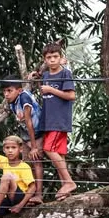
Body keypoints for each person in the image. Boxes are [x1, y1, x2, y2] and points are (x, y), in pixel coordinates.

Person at [39, 42, 77, 201]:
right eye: (49, 58)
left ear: (61, 58)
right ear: (45, 60)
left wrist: (51, 90)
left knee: (48, 149)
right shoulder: (46, 75)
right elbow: (39, 75)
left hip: (59, 120)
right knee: (59, 155)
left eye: (55, 57)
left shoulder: (65, 73)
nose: (53, 60)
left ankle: (69, 182)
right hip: (49, 120)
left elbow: (71, 96)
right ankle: (65, 188)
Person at [2, 75, 44, 204]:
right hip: (25, 135)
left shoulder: (24, 98)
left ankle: (38, 195)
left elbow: (29, 122)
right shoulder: (13, 100)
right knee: (25, 163)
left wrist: (34, 147)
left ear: (18, 90)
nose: (6, 94)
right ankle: (26, 195)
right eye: (4, 91)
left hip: (37, 133)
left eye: (9, 91)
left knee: (36, 160)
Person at [0, 135, 36, 218]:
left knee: (7, 177)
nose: (10, 150)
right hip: (8, 200)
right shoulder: (4, 161)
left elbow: (32, 187)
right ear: (4, 150)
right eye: (7, 148)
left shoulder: (24, 166)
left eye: (13, 147)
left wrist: (20, 205)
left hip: (19, 197)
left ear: (20, 149)